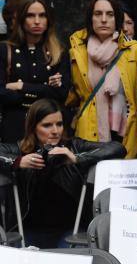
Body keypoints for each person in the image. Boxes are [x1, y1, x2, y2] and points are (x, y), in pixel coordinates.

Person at [0, 98, 125, 248]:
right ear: (33, 127)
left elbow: (117, 147)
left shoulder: (73, 146)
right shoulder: (19, 150)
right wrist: (17, 162)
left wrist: (77, 158)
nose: (55, 131)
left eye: (59, 124)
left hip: (70, 231)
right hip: (26, 229)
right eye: (47, 125)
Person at [67, 0, 137, 159]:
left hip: (126, 133)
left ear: (117, 19)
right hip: (89, 135)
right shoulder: (76, 52)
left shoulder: (135, 50)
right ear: (90, 19)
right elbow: (72, 97)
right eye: (98, 14)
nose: (104, 19)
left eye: (110, 14)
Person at [0, 0, 70, 143]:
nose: (37, 21)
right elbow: (1, 93)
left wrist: (21, 86)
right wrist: (44, 90)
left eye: (42, 15)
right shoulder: (5, 50)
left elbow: (61, 94)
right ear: (21, 20)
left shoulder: (58, 52)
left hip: (49, 126)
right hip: (15, 125)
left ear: (48, 19)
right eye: (30, 16)